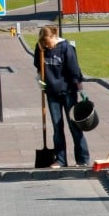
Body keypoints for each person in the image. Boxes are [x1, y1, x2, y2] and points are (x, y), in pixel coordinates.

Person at [33, 25, 90, 167]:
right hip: (51, 93)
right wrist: (40, 80)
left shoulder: (65, 48)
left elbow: (74, 70)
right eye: (44, 42)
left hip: (68, 92)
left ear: (53, 37)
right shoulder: (40, 47)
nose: (47, 45)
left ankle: (82, 159)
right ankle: (60, 159)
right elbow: (38, 67)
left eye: (48, 42)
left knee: (73, 126)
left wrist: (80, 90)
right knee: (57, 127)